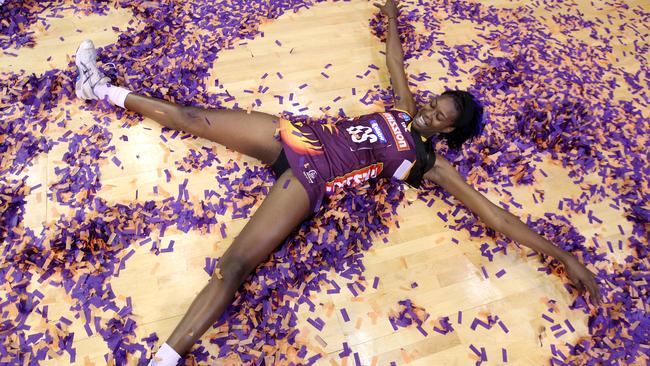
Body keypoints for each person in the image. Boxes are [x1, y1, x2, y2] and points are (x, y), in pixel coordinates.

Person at [73, 0, 602, 364]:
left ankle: (167, 354)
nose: (428, 114)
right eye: (433, 104)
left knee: (233, 267)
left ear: (448, 133)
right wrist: (392, 11)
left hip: (311, 178)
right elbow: (395, 58)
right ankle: (99, 90)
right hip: (296, 134)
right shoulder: (401, 107)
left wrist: (566, 257)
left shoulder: (428, 163)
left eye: (441, 119)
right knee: (195, 116)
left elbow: (497, 215)